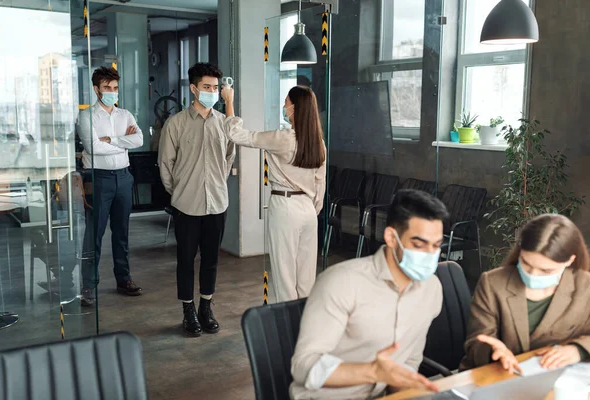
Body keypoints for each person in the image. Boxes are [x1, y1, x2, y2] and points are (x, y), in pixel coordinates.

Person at [289, 189, 448, 399]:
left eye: (436, 246)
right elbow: (303, 366)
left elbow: (409, 362)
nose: (429, 255)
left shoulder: (431, 289)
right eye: (419, 244)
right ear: (391, 237)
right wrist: (373, 372)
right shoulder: (342, 283)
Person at [221, 84, 326, 303]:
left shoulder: (283, 138)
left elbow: (236, 134)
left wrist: (229, 102)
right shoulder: (318, 143)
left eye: (286, 102)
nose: (283, 106)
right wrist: (310, 208)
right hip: (308, 210)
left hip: (285, 206)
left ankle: (284, 327)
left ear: (295, 108)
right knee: (306, 277)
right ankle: (303, 327)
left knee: (283, 275)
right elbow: (320, 184)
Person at [158, 62, 236, 337]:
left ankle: (206, 307)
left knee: (211, 259)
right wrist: (179, 191)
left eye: (215, 88)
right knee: (185, 260)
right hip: (186, 205)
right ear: (193, 89)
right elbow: (165, 166)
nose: (212, 92)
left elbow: (229, 158)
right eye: (207, 87)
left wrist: (216, 183)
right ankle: (188, 310)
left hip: (217, 202)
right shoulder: (176, 123)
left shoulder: (224, 124)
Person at [460, 214, 590, 373]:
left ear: (569, 261)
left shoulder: (585, 286)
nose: (533, 274)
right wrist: (493, 352)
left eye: (546, 270)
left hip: (563, 378)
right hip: (498, 375)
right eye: (526, 263)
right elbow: (475, 343)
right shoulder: (492, 283)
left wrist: (578, 350)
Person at [77, 66, 143, 306]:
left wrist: (112, 141)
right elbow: (94, 147)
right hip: (99, 179)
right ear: (97, 89)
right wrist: (124, 144)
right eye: (107, 88)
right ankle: (88, 286)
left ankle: (123, 279)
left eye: (115, 88)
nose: (112, 92)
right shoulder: (86, 116)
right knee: (94, 234)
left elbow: (139, 139)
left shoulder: (125, 115)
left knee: (122, 232)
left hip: (123, 178)